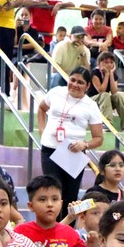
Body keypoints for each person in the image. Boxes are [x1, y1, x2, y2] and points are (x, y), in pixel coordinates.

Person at [37, 67, 104, 217]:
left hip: (73, 153)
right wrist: (43, 130)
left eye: (80, 82)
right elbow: (41, 108)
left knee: (70, 197)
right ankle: (52, 229)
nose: (75, 84)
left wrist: (85, 144)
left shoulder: (91, 105)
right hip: (50, 149)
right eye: (72, 80)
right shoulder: (56, 92)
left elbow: (99, 138)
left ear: (87, 86)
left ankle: (67, 233)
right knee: (53, 192)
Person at [15, 175, 85, 247]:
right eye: (42, 200)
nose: (50, 204)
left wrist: (92, 244)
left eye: (55, 199)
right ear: (31, 206)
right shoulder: (20, 233)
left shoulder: (71, 234)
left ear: (61, 204)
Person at [89, 52, 124, 131]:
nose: (109, 65)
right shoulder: (95, 73)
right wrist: (107, 75)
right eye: (106, 62)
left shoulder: (113, 75)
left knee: (117, 96)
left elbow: (114, 91)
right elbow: (101, 91)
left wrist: (111, 74)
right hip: (92, 101)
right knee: (105, 95)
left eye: (111, 62)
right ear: (99, 63)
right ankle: (106, 123)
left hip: (104, 102)